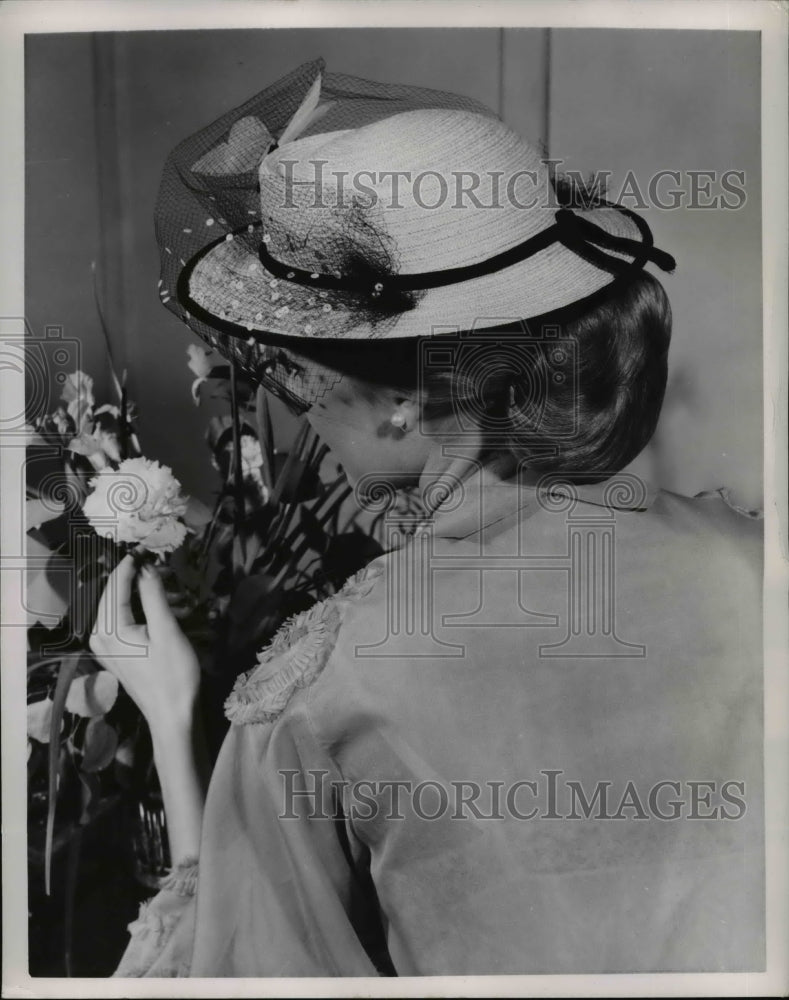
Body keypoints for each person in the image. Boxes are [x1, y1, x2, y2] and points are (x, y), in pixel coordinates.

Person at [91, 61, 763, 976]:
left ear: (404, 403)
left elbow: (242, 974)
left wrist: (173, 724)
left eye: (300, 380)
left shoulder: (323, 679)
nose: (297, 413)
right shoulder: (755, 564)